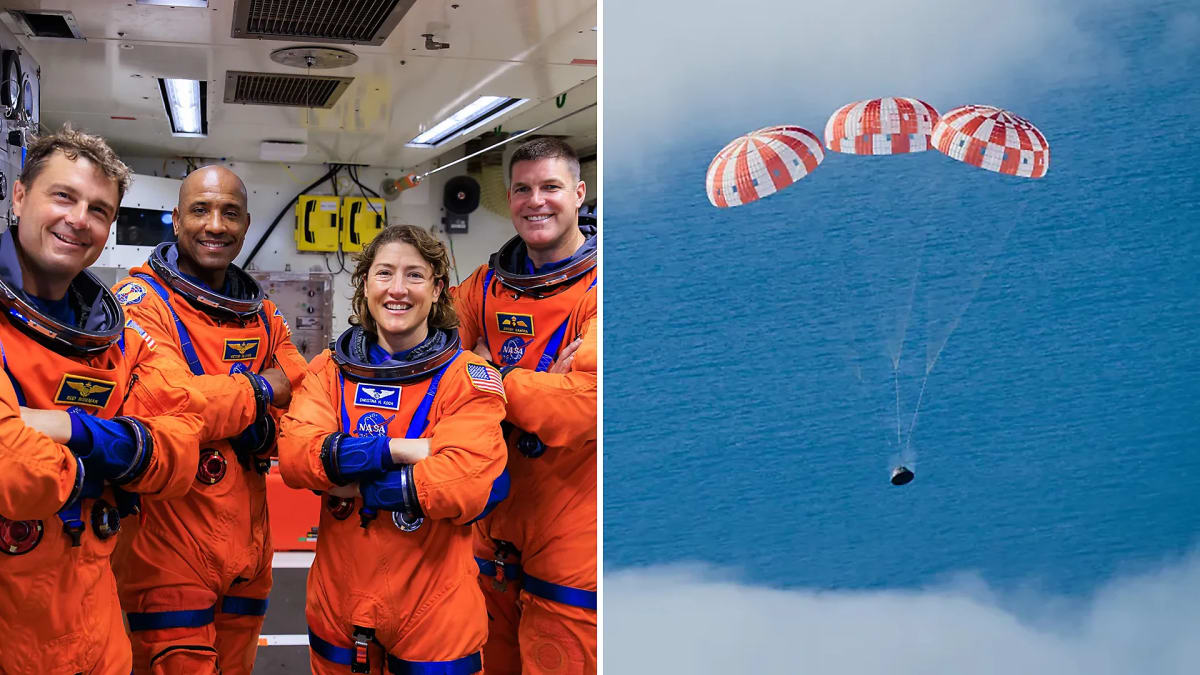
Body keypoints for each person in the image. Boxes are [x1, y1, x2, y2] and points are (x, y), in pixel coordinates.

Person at [0, 126, 206, 674]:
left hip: (96, 626)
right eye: (63, 196)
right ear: (20, 196)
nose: (78, 219)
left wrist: (70, 430)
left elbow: (181, 447)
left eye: (98, 209)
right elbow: (14, 472)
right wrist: (123, 455)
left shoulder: (120, 339)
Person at [278, 224, 508, 674]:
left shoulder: (469, 376)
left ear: (438, 288)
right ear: (365, 284)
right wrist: (405, 451)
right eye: (384, 273)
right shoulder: (329, 370)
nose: (397, 290)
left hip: (435, 604)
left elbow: (465, 483)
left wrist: (353, 481)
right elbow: (295, 456)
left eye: (414, 275)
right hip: (338, 598)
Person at [109, 165, 308, 674]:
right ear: (176, 220)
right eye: (200, 210)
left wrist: (243, 416)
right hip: (167, 543)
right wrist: (262, 389)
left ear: (245, 226)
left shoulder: (261, 313)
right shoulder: (142, 302)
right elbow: (166, 403)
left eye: (230, 213)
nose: (215, 224)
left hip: (248, 543)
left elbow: (304, 397)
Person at [452, 137, 598, 674]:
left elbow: (584, 406)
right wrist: (534, 386)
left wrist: (492, 375)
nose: (536, 201)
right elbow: (435, 374)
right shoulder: (483, 288)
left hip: (573, 530)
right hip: (489, 525)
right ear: (509, 197)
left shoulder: (606, 289)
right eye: (523, 189)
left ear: (579, 193)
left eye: (551, 188)